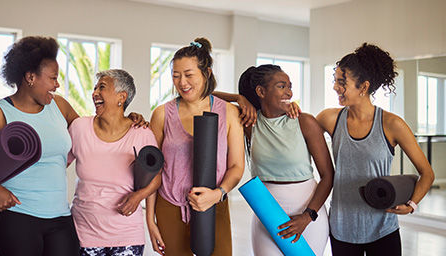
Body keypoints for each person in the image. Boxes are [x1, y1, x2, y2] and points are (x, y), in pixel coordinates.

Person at [0, 36, 146, 256]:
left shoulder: (59, 106)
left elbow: (93, 132)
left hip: (60, 217)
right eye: (52, 78)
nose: (57, 85)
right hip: (17, 214)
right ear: (30, 77)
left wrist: (127, 118)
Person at [315, 43, 435, 255]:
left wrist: (412, 204)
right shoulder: (330, 119)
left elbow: (427, 173)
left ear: (364, 87)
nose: (335, 87)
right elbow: (301, 134)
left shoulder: (392, 124)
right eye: (335, 81)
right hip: (342, 229)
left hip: (383, 230)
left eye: (342, 82)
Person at [146, 38, 245, 256]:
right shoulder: (162, 114)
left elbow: (237, 166)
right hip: (170, 205)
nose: (182, 82)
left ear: (206, 73)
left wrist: (218, 194)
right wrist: (150, 220)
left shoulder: (229, 113)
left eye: (189, 75)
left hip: (214, 203)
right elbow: (152, 170)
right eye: (176, 75)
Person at [237, 64, 334, 255]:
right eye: (282, 86)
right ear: (261, 91)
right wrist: (239, 98)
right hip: (266, 214)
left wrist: (307, 217)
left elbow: (328, 175)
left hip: (309, 216)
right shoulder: (250, 123)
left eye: (290, 86)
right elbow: (207, 98)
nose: (289, 92)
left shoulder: (304, 122)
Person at [67, 69, 160, 256]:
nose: (94, 94)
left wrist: (137, 197)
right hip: (83, 232)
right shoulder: (79, 128)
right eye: (94, 89)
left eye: (101, 87)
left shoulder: (142, 134)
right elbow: (57, 164)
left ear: (121, 97)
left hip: (127, 235)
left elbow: (156, 178)